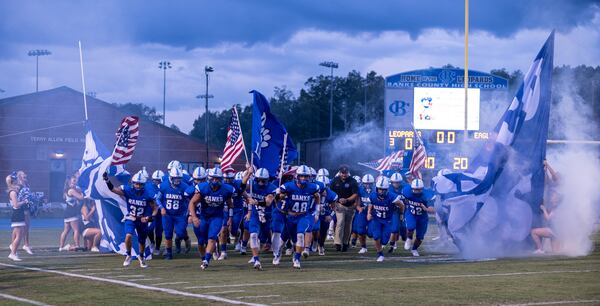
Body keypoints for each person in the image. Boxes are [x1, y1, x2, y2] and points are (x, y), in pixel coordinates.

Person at [105, 171, 158, 268]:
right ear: (132, 183)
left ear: (143, 184)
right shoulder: (128, 190)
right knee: (128, 235)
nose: (137, 186)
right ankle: (128, 255)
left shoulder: (148, 194)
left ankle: (141, 257)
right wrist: (107, 180)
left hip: (142, 220)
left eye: (140, 184)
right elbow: (113, 189)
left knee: (142, 241)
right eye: (136, 183)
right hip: (131, 218)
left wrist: (150, 217)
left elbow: (155, 208)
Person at [188, 168, 234, 270]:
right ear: (209, 178)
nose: (215, 181)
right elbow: (192, 203)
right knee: (201, 241)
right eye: (213, 178)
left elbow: (230, 205)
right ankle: (203, 258)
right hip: (204, 217)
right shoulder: (203, 188)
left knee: (212, 237)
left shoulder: (226, 189)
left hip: (217, 217)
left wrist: (230, 217)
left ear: (221, 179)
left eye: (217, 179)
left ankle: (206, 260)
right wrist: (193, 216)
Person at [276, 165, 320, 269]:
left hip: (303, 215)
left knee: (300, 235)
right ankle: (278, 253)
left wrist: (317, 211)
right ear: (297, 176)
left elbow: (318, 197)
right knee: (283, 239)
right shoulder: (289, 186)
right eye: (301, 176)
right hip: (290, 216)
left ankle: (297, 258)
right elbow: (278, 198)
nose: (304, 178)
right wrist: (280, 195)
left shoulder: (313, 187)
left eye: (306, 176)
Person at [155, 167, 190, 260]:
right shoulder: (163, 186)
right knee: (168, 234)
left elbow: (190, 200)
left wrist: (188, 212)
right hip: (167, 215)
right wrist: (161, 208)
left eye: (179, 178)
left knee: (180, 232)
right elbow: (157, 199)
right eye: (175, 178)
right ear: (171, 177)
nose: (177, 180)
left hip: (180, 214)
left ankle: (182, 239)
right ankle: (169, 253)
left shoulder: (185, 187)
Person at [367, 176, 403, 262]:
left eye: (383, 189)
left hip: (388, 220)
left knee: (384, 241)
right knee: (376, 237)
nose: (381, 191)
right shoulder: (372, 196)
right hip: (377, 219)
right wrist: (368, 213)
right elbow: (371, 204)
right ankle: (380, 254)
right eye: (380, 189)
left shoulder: (392, 197)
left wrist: (401, 214)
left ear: (387, 190)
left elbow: (402, 205)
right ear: (377, 188)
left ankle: (383, 246)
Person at [246, 168, 274, 270]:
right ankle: (256, 259)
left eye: (263, 180)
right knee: (253, 235)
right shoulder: (252, 185)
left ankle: (259, 253)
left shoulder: (271, 188)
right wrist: (247, 175)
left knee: (262, 239)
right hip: (255, 214)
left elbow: (268, 202)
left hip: (266, 215)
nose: (261, 183)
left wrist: (256, 202)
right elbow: (241, 187)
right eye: (259, 180)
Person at [401, 179, 435, 256]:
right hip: (411, 213)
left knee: (420, 236)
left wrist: (426, 209)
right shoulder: (407, 191)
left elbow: (433, 210)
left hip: (422, 217)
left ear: (422, 189)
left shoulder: (427, 194)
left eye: (419, 190)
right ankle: (409, 238)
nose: (417, 191)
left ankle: (414, 249)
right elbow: (402, 199)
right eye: (415, 189)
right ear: (412, 188)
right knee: (410, 227)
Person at [330, 165, 359, 252]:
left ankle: (345, 242)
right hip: (339, 205)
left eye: (345, 173)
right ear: (339, 172)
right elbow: (331, 193)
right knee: (340, 222)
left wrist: (347, 199)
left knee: (348, 225)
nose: (344, 175)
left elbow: (355, 194)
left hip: (350, 206)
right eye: (342, 173)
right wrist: (336, 201)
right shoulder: (335, 181)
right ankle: (338, 243)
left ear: (348, 173)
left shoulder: (353, 181)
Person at [531, 190, 561, 254]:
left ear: (556, 199)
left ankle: (540, 249)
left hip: (552, 231)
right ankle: (541, 250)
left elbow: (548, 218)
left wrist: (544, 209)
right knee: (555, 253)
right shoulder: (554, 207)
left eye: (553, 196)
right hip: (555, 232)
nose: (551, 197)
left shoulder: (556, 208)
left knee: (533, 232)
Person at [59, 176, 83, 251]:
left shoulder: (67, 190)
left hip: (67, 213)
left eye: (75, 181)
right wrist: (83, 192)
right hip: (72, 213)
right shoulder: (71, 190)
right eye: (73, 181)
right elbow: (81, 197)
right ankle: (77, 245)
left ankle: (61, 247)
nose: (75, 182)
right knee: (76, 230)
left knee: (66, 230)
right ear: (69, 182)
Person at [315, 176, 337, 256]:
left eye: (327, 186)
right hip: (314, 214)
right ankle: (312, 244)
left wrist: (330, 216)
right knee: (314, 229)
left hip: (325, 215)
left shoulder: (331, 194)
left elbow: (335, 208)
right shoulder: (313, 192)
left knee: (323, 231)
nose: (324, 189)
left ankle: (321, 245)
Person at [7, 172, 27, 261]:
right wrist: (24, 201)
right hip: (17, 214)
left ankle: (13, 251)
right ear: (13, 182)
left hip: (19, 214)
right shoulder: (13, 193)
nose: (17, 182)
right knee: (19, 236)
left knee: (18, 235)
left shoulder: (15, 191)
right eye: (16, 181)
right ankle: (13, 253)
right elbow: (16, 205)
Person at [354, 174, 374, 254]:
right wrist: (358, 207)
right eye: (366, 183)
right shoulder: (360, 189)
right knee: (360, 230)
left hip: (374, 212)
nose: (368, 185)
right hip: (363, 211)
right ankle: (363, 247)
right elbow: (357, 201)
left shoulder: (376, 190)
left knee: (371, 233)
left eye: (369, 183)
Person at [388, 172, 407, 253]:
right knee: (394, 228)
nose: (396, 184)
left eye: (398, 182)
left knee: (404, 228)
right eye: (395, 182)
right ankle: (392, 245)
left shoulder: (405, 188)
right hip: (394, 210)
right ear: (391, 182)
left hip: (405, 210)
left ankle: (403, 237)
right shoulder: (388, 189)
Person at [16, 171, 33, 254]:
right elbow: (17, 198)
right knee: (19, 229)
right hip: (21, 209)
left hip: (27, 208)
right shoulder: (18, 186)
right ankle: (20, 245)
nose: (25, 175)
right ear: (19, 177)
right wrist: (24, 201)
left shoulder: (26, 185)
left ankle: (26, 245)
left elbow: (29, 196)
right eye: (23, 175)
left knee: (26, 227)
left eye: (25, 174)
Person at [147, 170, 164, 256]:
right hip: (152, 211)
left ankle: (157, 247)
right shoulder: (149, 186)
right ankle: (152, 242)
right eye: (155, 180)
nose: (156, 182)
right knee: (149, 229)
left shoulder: (164, 186)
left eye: (158, 180)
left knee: (159, 231)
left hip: (161, 212)